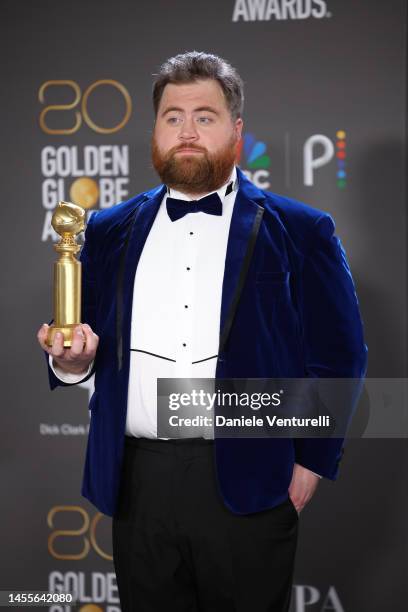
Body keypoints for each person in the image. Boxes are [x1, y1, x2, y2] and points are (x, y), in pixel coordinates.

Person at [37, 51, 367, 612]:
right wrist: (70, 363)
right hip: (138, 480)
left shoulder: (302, 229)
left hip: (248, 479)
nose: (186, 131)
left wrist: (311, 462)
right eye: (172, 116)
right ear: (155, 130)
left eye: (205, 117)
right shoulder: (108, 230)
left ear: (236, 131)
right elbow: (84, 348)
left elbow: (340, 355)